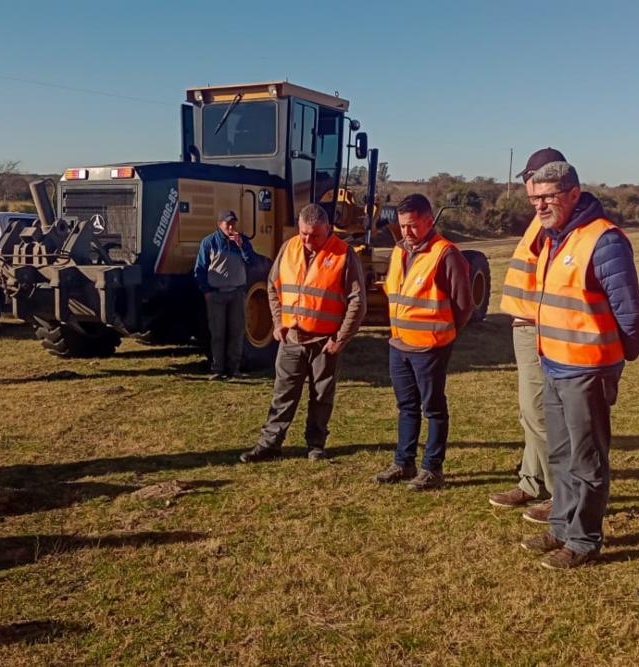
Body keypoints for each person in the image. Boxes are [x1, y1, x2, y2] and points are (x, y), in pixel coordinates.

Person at [518, 161, 639, 569]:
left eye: (548, 196)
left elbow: (630, 311)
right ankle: (560, 526)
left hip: (587, 371)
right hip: (555, 365)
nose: (540, 205)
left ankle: (584, 540)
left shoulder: (604, 240)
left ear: (574, 193)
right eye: (535, 198)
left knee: (587, 460)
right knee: (560, 455)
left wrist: (612, 361)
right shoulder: (554, 237)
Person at [239, 203, 366, 462]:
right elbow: (273, 287)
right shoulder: (289, 247)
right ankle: (270, 444)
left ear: (328, 229)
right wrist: (278, 323)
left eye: (315, 235)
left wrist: (340, 339)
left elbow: (357, 301)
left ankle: (316, 445)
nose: (308, 240)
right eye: (304, 233)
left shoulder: (344, 255)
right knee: (282, 393)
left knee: (321, 396)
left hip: (325, 342)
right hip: (292, 339)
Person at [372, 194, 473, 491]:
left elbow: (463, 305)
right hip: (400, 344)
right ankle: (404, 463)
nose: (407, 232)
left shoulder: (446, 254)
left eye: (413, 225)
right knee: (406, 406)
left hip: (430, 346)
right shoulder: (399, 251)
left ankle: (432, 468)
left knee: (433, 408)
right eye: (403, 226)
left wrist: (443, 333)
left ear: (429, 221)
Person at [488, 148, 564, 523]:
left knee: (539, 412)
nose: (526, 187)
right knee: (528, 412)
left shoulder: (556, 221)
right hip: (525, 323)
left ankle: (557, 494)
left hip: (539, 325)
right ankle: (531, 481)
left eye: (530, 179)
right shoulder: (540, 218)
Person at [194, 210, 261, 380]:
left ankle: (234, 369)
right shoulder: (209, 242)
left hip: (237, 293)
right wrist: (206, 291)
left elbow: (252, 262)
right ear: (219, 224)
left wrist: (242, 246)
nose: (231, 226)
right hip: (216, 295)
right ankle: (217, 368)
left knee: (236, 332)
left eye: (233, 223)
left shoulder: (242, 240)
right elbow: (200, 269)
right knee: (217, 333)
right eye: (227, 223)